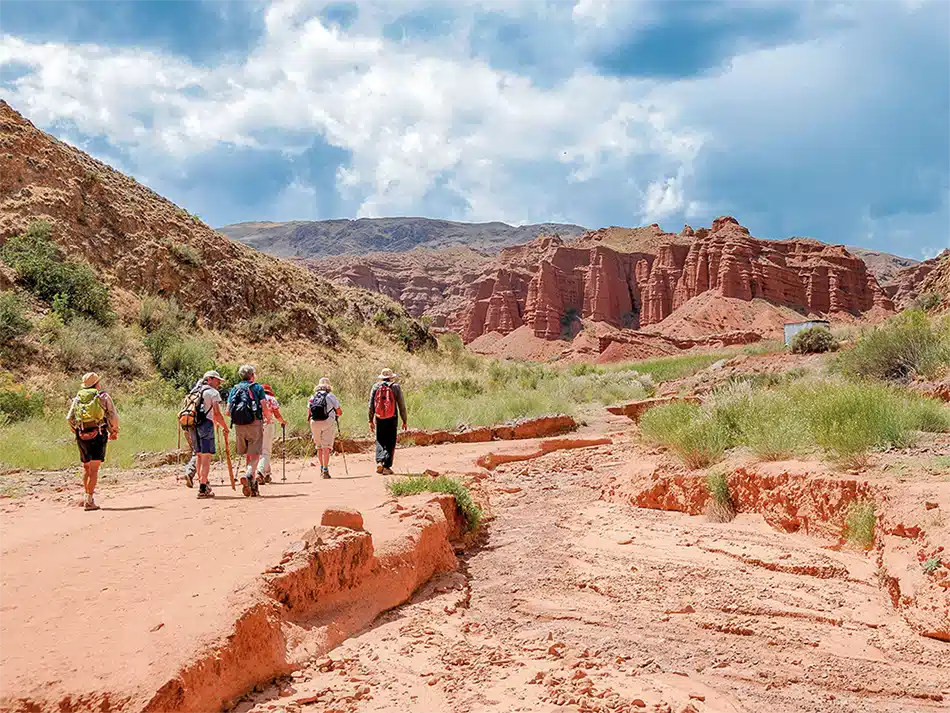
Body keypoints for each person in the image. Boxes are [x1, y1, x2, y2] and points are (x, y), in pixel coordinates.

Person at [66, 372, 120, 511]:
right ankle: (89, 501)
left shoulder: (78, 397)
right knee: (94, 469)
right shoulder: (102, 396)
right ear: (97, 384)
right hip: (99, 434)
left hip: (81, 435)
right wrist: (114, 431)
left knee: (86, 467)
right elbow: (113, 415)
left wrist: (77, 432)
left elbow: (69, 418)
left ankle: (86, 497)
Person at [181, 370, 229, 498]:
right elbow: (217, 413)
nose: (219, 383)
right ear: (210, 379)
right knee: (206, 457)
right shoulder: (212, 393)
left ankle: (203, 483)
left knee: (199, 455)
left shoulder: (194, 392)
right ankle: (203, 488)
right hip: (206, 425)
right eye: (217, 380)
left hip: (192, 426)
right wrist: (225, 427)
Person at [227, 363, 272, 497]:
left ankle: (252, 484)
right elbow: (264, 405)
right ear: (252, 375)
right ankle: (249, 473)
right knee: (256, 453)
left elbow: (228, 411)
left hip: (238, 425)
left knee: (248, 453)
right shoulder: (257, 388)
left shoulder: (235, 389)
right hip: (254, 423)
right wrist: (268, 418)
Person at [368, 368, 407, 475]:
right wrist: (404, 420)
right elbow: (401, 405)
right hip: (392, 417)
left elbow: (371, 405)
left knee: (380, 439)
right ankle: (386, 467)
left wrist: (370, 420)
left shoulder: (376, 387)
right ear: (391, 377)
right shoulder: (395, 387)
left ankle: (379, 461)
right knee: (390, 441)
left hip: (379, 417)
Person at [308, 377, 343, 479]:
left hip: (314, 423)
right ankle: (326, 470)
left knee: (319, 447)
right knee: (326, 447)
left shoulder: (313, 397)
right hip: (328, 422)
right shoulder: (331, 396)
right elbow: (339, 412)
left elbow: (309, 413)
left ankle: (322, 467)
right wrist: (335, 415)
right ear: (329, 386)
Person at [257, 383, 288, 483]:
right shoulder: (271, 399)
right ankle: (260, 472)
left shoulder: (255, 398)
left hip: (255, 425)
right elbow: (277, 414)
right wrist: (283, 422)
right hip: (268, 425)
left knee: (259, 450)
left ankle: (267, 474)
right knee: (266, 451)